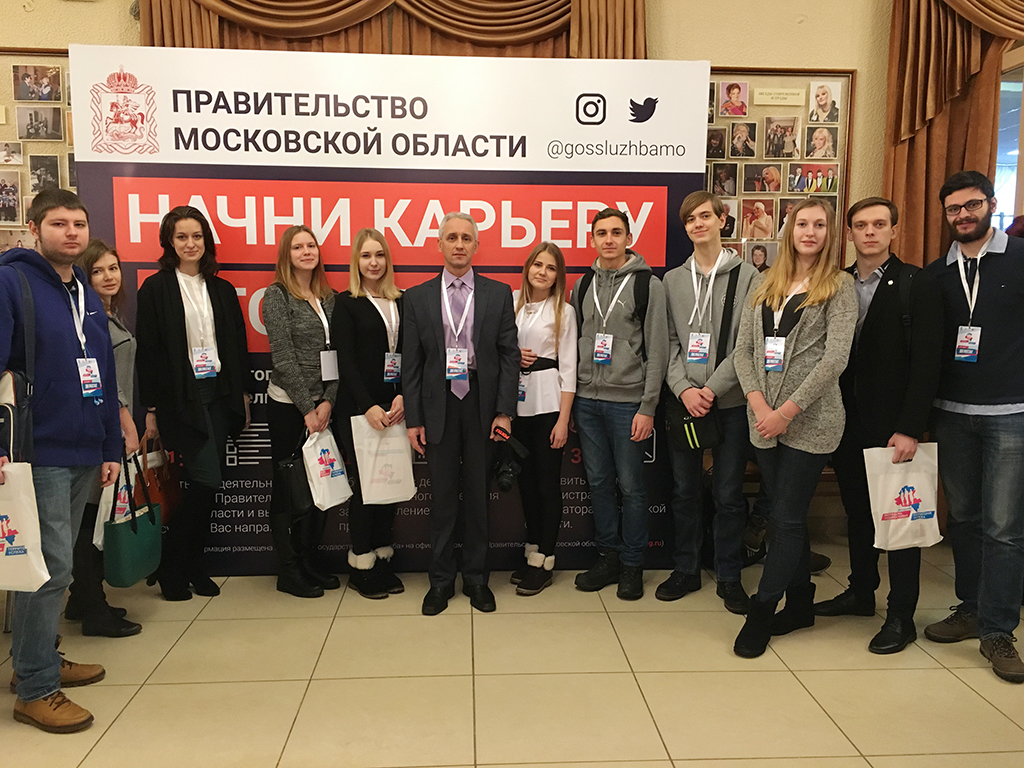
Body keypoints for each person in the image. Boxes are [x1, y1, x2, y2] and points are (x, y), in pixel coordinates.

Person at [0, 189, 121, 733]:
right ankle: (35, 687)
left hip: (84, 446)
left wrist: (109, 446)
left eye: (78, 223)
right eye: (58, 223)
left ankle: (39, 655)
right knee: (49, 568)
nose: (71, 233)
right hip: (39, 447)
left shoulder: (86, 293)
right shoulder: (12, 282)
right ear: (34, 228)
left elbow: (104, 375)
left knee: (54, 563)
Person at [812, 198, 943, 654]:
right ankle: (861, 592)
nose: (870, 232)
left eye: (879, 224)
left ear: (893, 231)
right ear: (849, 233)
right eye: (861, 225)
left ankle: (901, 615)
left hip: (893, 428)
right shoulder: (836, 283)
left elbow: (927, 363)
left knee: (901, 520)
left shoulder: (916, 284)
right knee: (858, 513)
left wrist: (911, 427)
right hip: (845, 422)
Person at [731, 198, 857, 658]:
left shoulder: (839, 286)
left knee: (784, 518)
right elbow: (743, 351)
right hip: (763, 420)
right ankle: (801, 602)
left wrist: (785, 411)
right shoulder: (765, 282)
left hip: (811, 422)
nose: (810, 231)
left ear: (829, 233)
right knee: (789, 515)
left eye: (819, 224)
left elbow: (835, 358)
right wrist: (759, 403)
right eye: (802, 223)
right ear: (789, 230)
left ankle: (762, 610)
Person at [923, 171, 1024, 683]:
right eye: (953, 209)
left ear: (991, 203)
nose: (963, 215)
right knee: (962, 518)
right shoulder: (937, 273)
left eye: (972, 205)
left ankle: (999, 630)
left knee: (1004, 528)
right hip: (951, 413)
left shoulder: (1020, 258)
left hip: (1010, 413)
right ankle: (970, 607)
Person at [135, 206, 254, 602]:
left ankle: (191, 566)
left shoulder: (221, 289)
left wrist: (242, 396)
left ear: (207, 241)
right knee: (207, 480)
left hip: (218, 393)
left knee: (207, 486)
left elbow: (236, 345)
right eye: (182, 237)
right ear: (169, 242)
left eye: (197, 236)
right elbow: (149, 353)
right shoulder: (155, 288)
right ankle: (172, 566)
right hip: (181, 399)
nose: (191, 244)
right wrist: (151, 410)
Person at [403, 212, 519, 615]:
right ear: (439, 244)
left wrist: (504, 411)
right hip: (437, 405)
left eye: (466, 238)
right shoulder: (416, 297)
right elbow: (411, 364)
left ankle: (476, 578)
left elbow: (509, 356)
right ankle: (440, 581)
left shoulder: (498, 293)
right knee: (442, 498)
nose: (458, 244)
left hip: (481, 404)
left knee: (478, 496)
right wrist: (414, 419)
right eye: (451, 237)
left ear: (476, 246)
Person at [660, 191, 761, 612]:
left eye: (705, 216)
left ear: (722, 220)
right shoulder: (672, 280)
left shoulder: (749, 277)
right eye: (690, 219)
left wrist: (712, 389)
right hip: (684, 402)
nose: (697, 224)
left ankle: (729, 574)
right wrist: (684, 388)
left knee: (728, 494)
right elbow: (667, 342)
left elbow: (747, 344)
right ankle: (686, 568)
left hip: (731, 402)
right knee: (684, 491)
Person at [571, 208, 669, 600]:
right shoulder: (583, 284)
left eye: (616, 232)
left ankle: (632, 564)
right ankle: (608, 556)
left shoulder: (648, 284)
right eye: (601, 233)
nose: (608, 239)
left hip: (628, 403)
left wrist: (648, 406)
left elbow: (658, 350)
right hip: (587, 402)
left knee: (631, 487)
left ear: (629, 237)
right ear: (592, 239)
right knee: (598, 483)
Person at [65, 240, 144, 637]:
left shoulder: (108, 313)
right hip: (98, 427)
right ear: (83, 276)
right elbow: (100, 376)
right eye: (97, 271)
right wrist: (125, 419)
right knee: (87, 519)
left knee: (92, 514)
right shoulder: (85, 317)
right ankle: (93, 608)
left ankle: (82, 599)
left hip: (106, 424)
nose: (109, 276)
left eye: (113, 268)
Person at [261, 225, 338, 599]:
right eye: (298, 247)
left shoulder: (328, 296)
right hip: (288, 408)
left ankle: (309, 561)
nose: (306, 252)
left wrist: (328, 402)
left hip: (323, 409)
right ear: (286, 255)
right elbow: (283, 357)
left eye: (311, 245)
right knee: (288, 489)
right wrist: (308, 408)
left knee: (320, 487)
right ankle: (288, 569)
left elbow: (337, 355)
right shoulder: (276, 296)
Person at [332, 228, 407, 599]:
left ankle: (381, 558)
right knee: (366, 489)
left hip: (396, 409)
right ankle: (361, 565)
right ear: (356, 262)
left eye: (379, 255)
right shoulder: (346, 303)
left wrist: (404, 395)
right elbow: (345, 362)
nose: (373, 262)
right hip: (360, 410)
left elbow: (412, 355)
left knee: (389, 486)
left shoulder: (402, 301)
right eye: (366, 256)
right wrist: (368, 406)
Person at [510, 242, 577, 595]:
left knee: (547, 485)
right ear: (527, 268)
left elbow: (569, 368)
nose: (542, 272)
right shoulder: (513, 305)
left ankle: (546, 560)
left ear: (558, 276)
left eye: (551, 268)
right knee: (526, 485)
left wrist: (563, 419)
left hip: (549, 406)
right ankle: (532, 551)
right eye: (538, 264)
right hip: (516, 408)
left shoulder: (564, 311)